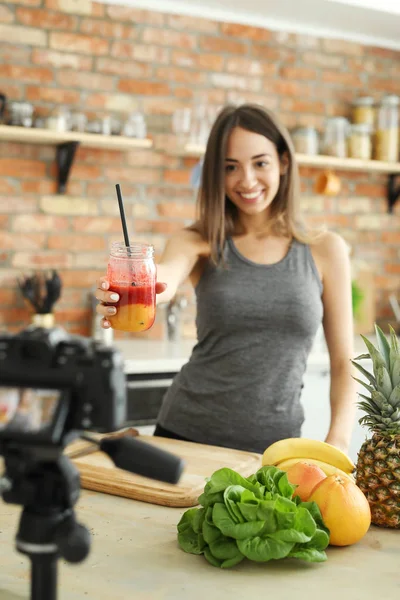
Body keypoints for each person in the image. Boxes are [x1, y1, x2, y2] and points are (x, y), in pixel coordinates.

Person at [95, 103, 356, 455]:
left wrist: (337, 443)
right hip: (186, 436)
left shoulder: (325, 249)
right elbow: (164, 280)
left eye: (260, 163)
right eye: (230, 167)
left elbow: (344, 363)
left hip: (275, 449)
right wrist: (133, 291)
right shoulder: (199, 241)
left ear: (283, 162)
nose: (246, 180)